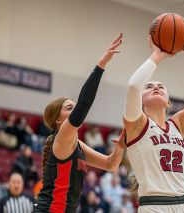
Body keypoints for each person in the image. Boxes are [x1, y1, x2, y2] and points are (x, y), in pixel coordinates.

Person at [123, 26, 184, 212]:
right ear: (140, 102)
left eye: (161, 87)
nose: (156, 87)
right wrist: (158, 55)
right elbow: (134, 86)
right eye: (149, 86)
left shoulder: (177, 124)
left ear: (168, 103)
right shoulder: (136, 124)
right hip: (155, 206)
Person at [33, 34, 125, 213]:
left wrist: (120, 148)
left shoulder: (76, 144)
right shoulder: (60, 138)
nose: (75, 110)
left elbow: (110, 165)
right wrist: (101, 65)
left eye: (74, 107)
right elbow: (84, 104)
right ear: (58, 120)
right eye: (69, 108)